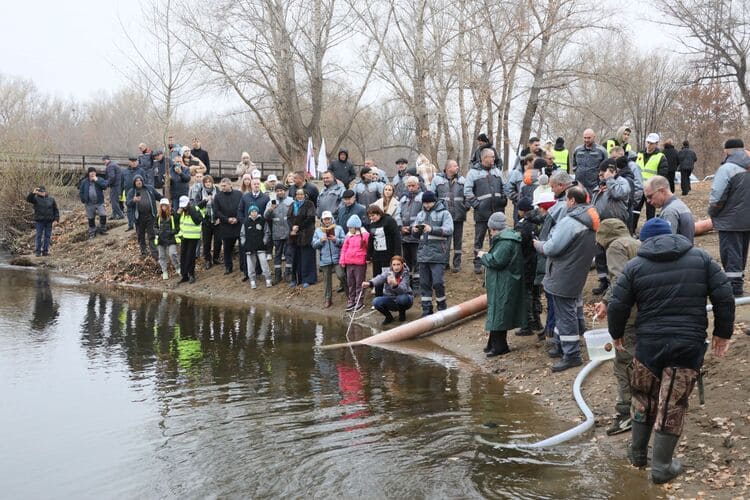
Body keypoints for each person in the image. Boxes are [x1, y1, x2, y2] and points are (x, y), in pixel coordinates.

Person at [607, 217, 735, 484]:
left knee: (642, 396)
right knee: (671, 402)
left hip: (648, 344)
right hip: (687, 345)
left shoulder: (634, 266)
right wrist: (722, 333)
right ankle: (662, 465)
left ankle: (638, 453)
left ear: (645, 240)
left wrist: (616, 334)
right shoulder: (701, 259)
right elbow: (724, 296)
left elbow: (618, 304)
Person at [533, 185, 598, 372]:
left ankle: (572, 354)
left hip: (563, 273)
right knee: (567, 311)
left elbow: (552, 248)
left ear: (571, 201)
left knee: (565, 313)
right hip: (576, 271)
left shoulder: (571, 222)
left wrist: (538, 244)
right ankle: (563, 345)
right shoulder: (590, 217)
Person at [592, 218, 640, 436]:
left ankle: (627, 414)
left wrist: (606, 301)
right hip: (647, 312)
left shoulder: (615, 247)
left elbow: (620, 281)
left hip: (629, 314)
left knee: (623, 362)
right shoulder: (639, 244)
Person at [478, 212, 526, 356]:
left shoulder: (505, 242)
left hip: (504, 282)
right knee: (497, 312)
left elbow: (496, 262)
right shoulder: (507, 239)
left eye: (490, 230)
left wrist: (483, 256)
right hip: (503, 281)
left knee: (499, 313)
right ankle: (493, 344)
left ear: (494, 228)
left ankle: (500, 347)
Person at [709, 138, 750, 297]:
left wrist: (712, 212)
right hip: (747, 220)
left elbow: (717, 198)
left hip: (729, 220)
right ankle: (738, 284)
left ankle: (733, 288)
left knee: (731, 253)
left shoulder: (727, 169)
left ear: (727, 151)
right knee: (741, 253)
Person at [591, 159, 631, 295]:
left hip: (616, 225)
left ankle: (616, 284)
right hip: (601, 225)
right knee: (599, 253)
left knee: (613, 254)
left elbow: (618, 193)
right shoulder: (601, 185)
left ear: (612, 171)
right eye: (600, 174)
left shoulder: (622, 182)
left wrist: (609, 179)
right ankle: (604, 281)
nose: (600, 176)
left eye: (603, 173)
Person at [465, 148, 507, 274]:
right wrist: (477, 205)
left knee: (496, 238)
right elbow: (467, 191)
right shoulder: (473, 173)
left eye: (494, 157)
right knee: (479, 238)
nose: (494, 159)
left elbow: (504, 187)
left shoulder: (497, 171)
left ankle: (494, 260)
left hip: (497, 212)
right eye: (491, 157)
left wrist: (503, 199)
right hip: (482, 214)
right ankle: (478, 263)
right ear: (484, 158)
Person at [413, 191, 453, 316]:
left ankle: (442, 307)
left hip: (438, 254)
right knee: (424, 283)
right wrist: (414, 230)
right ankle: (426, 310)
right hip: (423, 254)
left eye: (429, 202)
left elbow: (449, 229)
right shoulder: (420, 214)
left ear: (434, 201)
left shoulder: (444, 213)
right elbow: (415, 234)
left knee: (438, 282)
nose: (427, 205)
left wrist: (432, 229)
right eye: (425, 203)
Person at [514, 197, 543, 336]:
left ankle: (527, 324)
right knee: (536, 293)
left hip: (527, 263)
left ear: (521, 211)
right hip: (540, 263)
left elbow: (518, 245)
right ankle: (537, 322)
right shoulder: (541, 221)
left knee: (526, 294)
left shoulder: (523, 226)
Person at [432, 159, 467, 272]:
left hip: (459, 215)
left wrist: (465, 207)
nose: (457, 167)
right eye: (455, 166)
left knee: (458, 241)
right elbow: (433, 197)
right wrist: (438, 210)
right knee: (444, 241)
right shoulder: (437, 179)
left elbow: (468, 195)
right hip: (444, 217)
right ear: (448, 168)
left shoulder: (462, 180)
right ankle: (444, 262)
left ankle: (457, 263)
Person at [533, 192, 557, 341]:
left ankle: (551, 330)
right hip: (547, 265)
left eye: (540, 207)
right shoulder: (547, 218)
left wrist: (537, 244)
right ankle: (549, 327)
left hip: (549, 266)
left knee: (552, 300)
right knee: (550, 300)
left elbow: (547, 244)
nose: (538, 210)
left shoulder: (551, 219)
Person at [363, 255, 413, 324]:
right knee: (376, 301)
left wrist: (395, 285)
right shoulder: (388, 272)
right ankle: (389, 317)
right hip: (390, 298)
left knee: (402, 299)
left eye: (398, 264)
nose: (396, 267)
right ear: (391, 265)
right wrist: (370, 283)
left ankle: (402, 313)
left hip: (405, 298)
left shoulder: (406, 274)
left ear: (402, 265)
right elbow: (380, 278)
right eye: (394, 265)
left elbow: (404, 290)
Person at [644, 175, 695, 242]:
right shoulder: (680, 205)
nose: (648, 201)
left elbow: (667, 243)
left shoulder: (669, 212)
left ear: (662, 191)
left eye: (650, 196)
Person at [634, 133, 669, 225]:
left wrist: (656, 189)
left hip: (651, 190)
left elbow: (662, 176)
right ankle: (631, 230)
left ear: (656, 144)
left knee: (650, 213)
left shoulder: (661, 157)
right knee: (635, 211)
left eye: (652, 143)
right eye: (648, 142)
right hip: (639, 188)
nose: (649, 145)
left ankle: (650, 231)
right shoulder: (639, 154)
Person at [313, 210, 346, 308]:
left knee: (341, 275)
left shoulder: (338, 228)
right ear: (322, 220)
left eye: (328, 219)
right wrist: (320, 241)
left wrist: (336, 240)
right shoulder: (318, 231)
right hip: (324, 259)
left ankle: (349, 295)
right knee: (327, 281)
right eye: (325, 219)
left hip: (337, 258)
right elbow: (314, 245)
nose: (327, 221)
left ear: (332, 219)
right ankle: (328, 299)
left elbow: (344, 242)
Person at [366, 205, 401, 296]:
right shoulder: (372, 224)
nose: (371, 218)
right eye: (369, 216)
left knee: (388, 275)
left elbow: (396, 237)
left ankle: (391, 295)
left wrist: (397, 254)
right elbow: (371, 239)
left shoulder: (389, 221)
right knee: (377, 276)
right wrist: (368, 255)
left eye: (373, 215)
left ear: (379, 213)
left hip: (388, 254)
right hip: (377, 255)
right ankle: (378, 296)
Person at [287, 188, 317, 287]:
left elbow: (310, 218)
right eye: (297, 194)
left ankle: (308, 279)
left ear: (305, 195)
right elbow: (289, 218)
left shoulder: (309, 204)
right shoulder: (292, 205)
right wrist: (292, 227)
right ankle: (296, 279)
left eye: (301, 194)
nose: (299, 196)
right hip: (295, 236)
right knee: (295, 258)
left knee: (307, 257)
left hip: (306, 235)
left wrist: (298, 227)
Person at [339, 215, 370, 312]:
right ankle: (351, 300)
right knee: (350, 283)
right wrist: (342, 260)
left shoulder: (365, 235)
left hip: (360, 263)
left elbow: (368, 247)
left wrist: (367, 258)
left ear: (356, 227)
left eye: (350, 227)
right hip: (349, 262)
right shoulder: (348, 235)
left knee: (359, 283)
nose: (349, 229)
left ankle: (359, 301)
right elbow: (344, 248)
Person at [213, 177, 243, 274]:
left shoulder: (238, 194)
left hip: (238, 224)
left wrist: (237, 218)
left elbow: (242, 207)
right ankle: (228, 267)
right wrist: (227, 219)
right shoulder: (217, 196)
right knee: (227, 248)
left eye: (224, 185)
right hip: (226, 226)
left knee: (242, 247)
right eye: (221, 186)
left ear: (230, 185)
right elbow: (217, 211)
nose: (223, 187)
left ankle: (243, 266)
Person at [265, 184, 294, 283]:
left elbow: (295, 216)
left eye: (281, 190)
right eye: (277, 191)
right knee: (277, 254)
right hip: (276, 233)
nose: (279, 192)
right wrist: (271, 209)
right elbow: (266, 217)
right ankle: (277, 275)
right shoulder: (271, 202)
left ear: (285, 191)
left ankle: (288, 273)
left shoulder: (291, 201)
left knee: (288, 253)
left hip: (288, 232)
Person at [125, 175, 160, 258]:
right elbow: (128, 203)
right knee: (141, 235)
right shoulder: (131, 191)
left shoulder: (149, 188)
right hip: (139, 217)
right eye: (136, 180)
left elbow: (158, 196)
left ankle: (154, 253)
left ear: (142, 181)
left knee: (151, 234)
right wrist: (133, 200)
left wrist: (166, 200)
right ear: (134, 182)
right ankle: (143, 251)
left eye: (140, 180)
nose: (138, 181)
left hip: (150, 215)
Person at [398, 177, 424, 288]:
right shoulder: (403, 198)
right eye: (409, 186)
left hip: (416, 235)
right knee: (406, 261)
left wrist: (413, 227)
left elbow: (424, 214)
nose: (411, 188)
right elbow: (398, 214)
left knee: (417, 260)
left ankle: (418, 284)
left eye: (413, 185)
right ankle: (408, 283)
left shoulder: (422, 197)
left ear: (418, 185)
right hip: (404, 236)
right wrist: (400, 227)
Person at [240, 205, 272, 288]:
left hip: (260, 247)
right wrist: (244, 243)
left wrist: (264, 241)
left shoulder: (262, 221)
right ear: (249, 213)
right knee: (250, 265)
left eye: (255, 211)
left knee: (264, 263)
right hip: (249, 247)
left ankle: (268, 279)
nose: (254, 213)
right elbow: (242, 234)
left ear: (257, 212)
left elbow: (267, 232)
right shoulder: (246, 222)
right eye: (252, 211)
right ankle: (252, 281)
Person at [194, 175, 222, 269]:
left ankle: (216, 258)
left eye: (209, 182)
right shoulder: (200, 192)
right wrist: (205, 201)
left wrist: (220, 218)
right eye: (206, 182)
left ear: (212, 182)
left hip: (216, 220)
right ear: (204, 183)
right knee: (206, 242)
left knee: (218, 241)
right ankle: (207, 260)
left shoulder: (217, 191)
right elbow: (196, 206)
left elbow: (222, 205)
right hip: (206, 220)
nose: (208, 183)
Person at [571, 128, 608, 196]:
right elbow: (574, 165)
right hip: (579, 187)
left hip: (594, 187)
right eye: (585, 138)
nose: (586, 140)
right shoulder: (578, 150)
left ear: (594, 137)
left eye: (589, 138)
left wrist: (602, 183)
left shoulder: (601, 151)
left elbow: (606, 169)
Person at [176, 195, 203, 284]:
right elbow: (178, 223)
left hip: (193, 236)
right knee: (183, 255)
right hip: (184, 236)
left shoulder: (194, 209)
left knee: (190, 256)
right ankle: (184, 275)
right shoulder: (182, 211)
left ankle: (191, 274)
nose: (183, 207)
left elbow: (198, 220)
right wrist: (178, 213)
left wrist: (191, 211)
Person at [26, 186, 59, 257]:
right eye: (41, 191)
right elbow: (28, 199)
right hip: (39, 221)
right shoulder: (35, 199)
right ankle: (37, 252)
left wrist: (56, 219)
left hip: (49, 221)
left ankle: (45, 251)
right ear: (38, 192)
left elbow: (55, 210)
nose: (43, 193)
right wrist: (33, 193)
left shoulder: (51, 199)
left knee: (47, 236)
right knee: (39, 236)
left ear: (46, 191)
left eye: (43, 191)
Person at [79, 166, 109, 239]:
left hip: (99, 202)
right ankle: (92, 232)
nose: (92, 174)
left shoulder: (100, 179)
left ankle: (102, 229)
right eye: (91, 172)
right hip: (89, 203)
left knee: (103, 214)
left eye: (94, 172)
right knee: (91, 218)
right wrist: (83, 199)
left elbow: (105, 186)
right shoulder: (84, 181)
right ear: (88, 173)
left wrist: (97, 180)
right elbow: (81, 191)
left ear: (95, 173)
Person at [155, 198, 181, 280]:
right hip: (161, 239)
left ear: (168, 205)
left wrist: (172, 232)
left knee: (172, 254)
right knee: (162, 256)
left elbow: (178, 227)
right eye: (162, 205)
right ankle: (164, 271)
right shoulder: (158, 216)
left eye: (165, 205)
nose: (163, 207)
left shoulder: (173, 215)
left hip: (171, 238)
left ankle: (178, 268)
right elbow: (154, 226)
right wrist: (158, 232)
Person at [122, 156, 145, 231]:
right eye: (132, 161)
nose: (134, 163)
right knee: (129, 209)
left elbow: (145, 181)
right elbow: (121, 183)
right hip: (128, 193)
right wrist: (119, 193)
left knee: (140, 208)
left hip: (139, 192)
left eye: (135, 161)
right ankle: (130, 225)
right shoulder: (124, 171)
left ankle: (140, 224)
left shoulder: (141, 171)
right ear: (129, 162)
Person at [102, 156, 124, 220]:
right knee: (114, 200)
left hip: (115, 186)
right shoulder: (114, 164)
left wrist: (106, 184)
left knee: (114, 201)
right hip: (117, 185)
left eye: (104, 160)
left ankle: (121, 215)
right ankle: (114, 215)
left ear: (107, 160)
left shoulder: (110, 166)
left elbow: (112, 177)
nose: (104, 162)